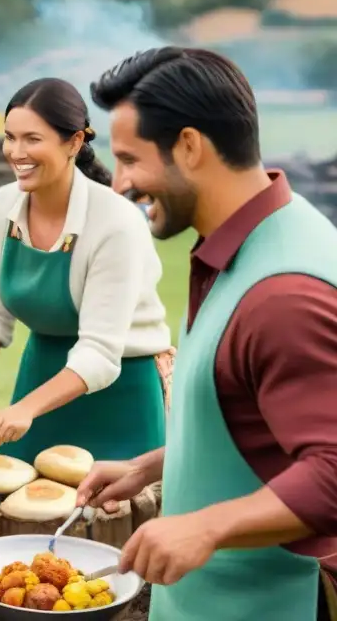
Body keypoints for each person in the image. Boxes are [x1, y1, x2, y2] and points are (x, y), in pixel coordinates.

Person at [76, 47, 337, 621]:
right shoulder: (253, 237)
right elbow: (254, 418)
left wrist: (206, 526)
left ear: (189, 147)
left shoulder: (283, 294)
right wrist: (153, 466)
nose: (119, 184)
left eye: (129, 159)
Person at [0, 78, 171, 463]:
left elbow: (99, 353)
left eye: (32, 139)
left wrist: (26, 409)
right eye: (9, 137)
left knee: (115, 519)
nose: (16, 152)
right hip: (40, 378)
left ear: (74, 142)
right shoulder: (1, 207)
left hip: (120, 396)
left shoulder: (116, 222)